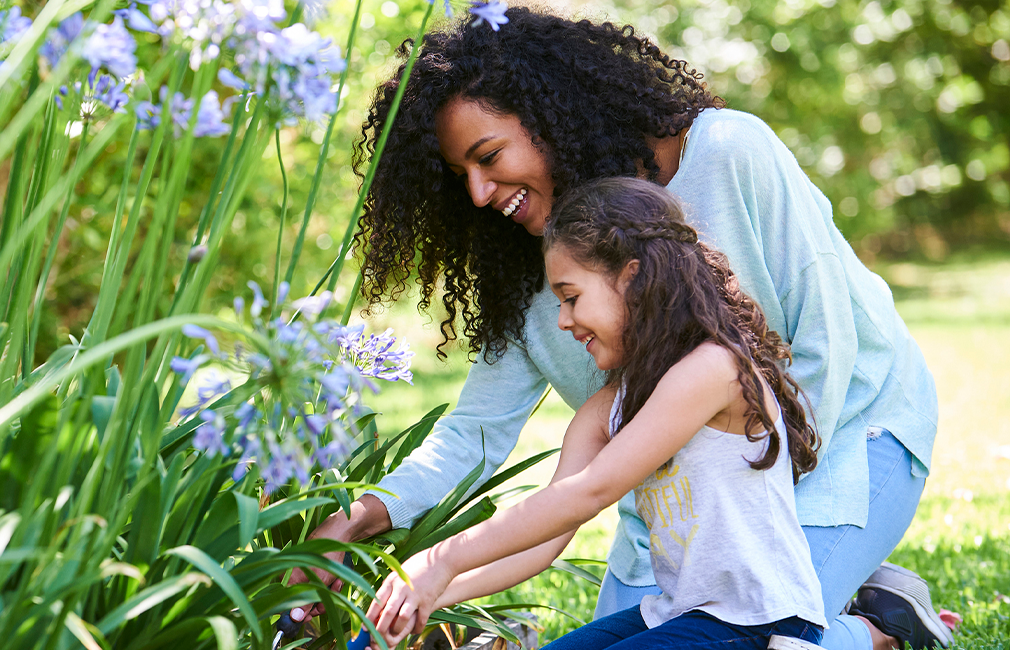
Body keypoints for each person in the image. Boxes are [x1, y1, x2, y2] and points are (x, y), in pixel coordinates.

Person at [290, 7, 952, 650]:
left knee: (775, 628)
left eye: (489, 157)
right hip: (677, 502)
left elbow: (827, 344)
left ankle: (876, 629)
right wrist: (353, 521)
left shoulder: (727, 152)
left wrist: (764, 518)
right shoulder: (538, 272)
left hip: (846, 438)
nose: (479, 193)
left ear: (550, 113)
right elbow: (476, 436)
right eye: (460, 175)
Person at [368, 176, 828, 649]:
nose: (563, 320)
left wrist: (442, 559)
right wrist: (430, 593)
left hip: (760, 623)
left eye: (571, 297)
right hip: (681, 614)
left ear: (632, 277)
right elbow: (544, 542)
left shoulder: (713, 369)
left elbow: (590, 491)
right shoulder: (610, 405)